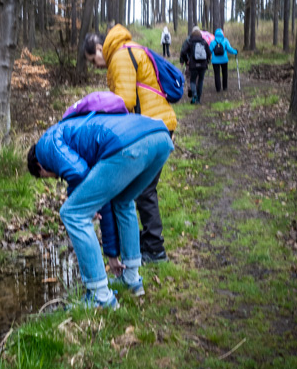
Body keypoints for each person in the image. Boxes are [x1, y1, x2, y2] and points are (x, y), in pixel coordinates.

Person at [27, 112, 174, 308]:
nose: (55, 178)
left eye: (47, 176)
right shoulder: (71, 132)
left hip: (127, 144)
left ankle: (99, 295)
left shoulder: (46, 145)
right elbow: (101, 193)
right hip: (160, 137)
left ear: (39, 166)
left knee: (71, 214)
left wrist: (83, 200)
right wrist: (111, 252)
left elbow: (79, 173)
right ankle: (131, 278)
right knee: (123, 200)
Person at [84, 24, 177, 264]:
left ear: (98, 47)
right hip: (156, 124)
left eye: (93, 60)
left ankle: (154, 249)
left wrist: (98, 109)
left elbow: (124, 100)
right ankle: (149, 242)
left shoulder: (121, 55)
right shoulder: (124, 51)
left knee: (144, 189)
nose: (96, 66)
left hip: (154, 126)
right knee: (143, 189)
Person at [179, 26, 210, 104]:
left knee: (192, 80)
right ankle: (198, 100)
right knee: (200, 81)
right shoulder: (204, 41)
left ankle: (194, 94)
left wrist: (185, 60)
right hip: (203, 65)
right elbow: (209, 53)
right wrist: (207, 61)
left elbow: (183, 51)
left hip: (193, 64)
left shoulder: (189, 41)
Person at [209, 28, 238, 93]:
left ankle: (218, 88)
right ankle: (225, 87)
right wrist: (235, 52)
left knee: (217, 74)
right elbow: (229, 49)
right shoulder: (225, 41)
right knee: (225, 73)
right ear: (222, 34)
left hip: (215, 61)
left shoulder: (213, 42)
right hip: (224, 60)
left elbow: (209, 51)